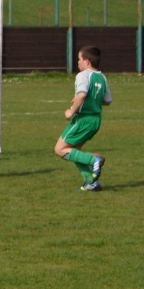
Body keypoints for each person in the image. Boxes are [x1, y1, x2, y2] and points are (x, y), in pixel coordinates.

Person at [53, 46, 110, 192]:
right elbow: (107, 100)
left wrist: (71, 111)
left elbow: (82, 94)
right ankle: (90, 181)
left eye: (79, 59)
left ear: (87, 61)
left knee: (60, 149)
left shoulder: (83, 75)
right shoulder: (102, 77)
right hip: (95, 120)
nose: (77, 62)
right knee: (74, 152)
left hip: (83, 119)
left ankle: (94, 159)